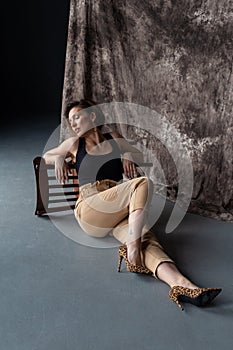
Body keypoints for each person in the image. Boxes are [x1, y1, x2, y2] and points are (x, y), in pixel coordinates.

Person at [43, 99, 221, 310]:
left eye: (77, 117)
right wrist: (59, 158)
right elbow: (46, 156)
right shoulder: (74, 143)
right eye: (70, 120)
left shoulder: (115, 138)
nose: (73, 123)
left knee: (147, 238)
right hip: (90, 207)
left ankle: (182, 285)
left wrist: (127, 155)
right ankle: (132, 248)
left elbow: (133, 152)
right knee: (142, 184)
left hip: (115, 208)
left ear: (92, 116)